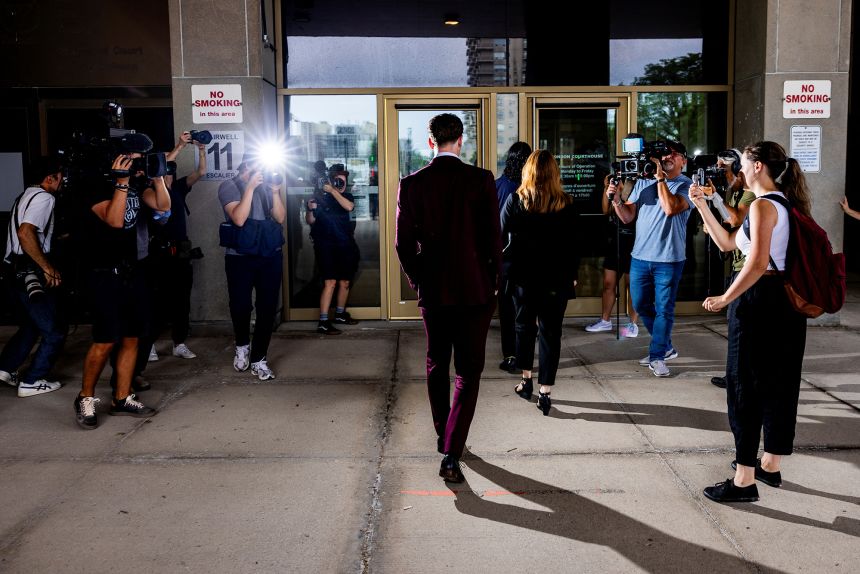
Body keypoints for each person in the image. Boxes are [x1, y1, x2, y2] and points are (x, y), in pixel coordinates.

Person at [691, 141, 809, 503]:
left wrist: (726, 297)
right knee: (779, 383)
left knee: (743, 387)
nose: (739, 168)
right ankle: (770, 465)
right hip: (784, 304)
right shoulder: (783, 202)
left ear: (758, 166)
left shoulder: (761, 206)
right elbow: (728, 244)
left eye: (743, 162)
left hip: (758, 301)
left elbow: (756, 263)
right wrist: (703, 206)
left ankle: (744, 480)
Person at [395, 113, 502, 483]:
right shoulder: (481, 180)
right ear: (460, 141)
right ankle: (452, 452)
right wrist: (494, 282)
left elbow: (402, 244)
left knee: (437, 365)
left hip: (435, 290)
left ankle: (445, 437)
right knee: (468, 372)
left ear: (431, 142)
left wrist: (419, 279)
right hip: (475, 290)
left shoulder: (411, 184)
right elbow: (493, 238)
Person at [74, 135, 168, 429]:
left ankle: (121, 397)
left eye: (142, 159)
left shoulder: (140, 184)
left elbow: (163, 205)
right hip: (104, 273)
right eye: (134, 157)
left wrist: (158, 177)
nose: (138, 164)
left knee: (132, 338)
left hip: (134, 272)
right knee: (105, 341)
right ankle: (85, 397)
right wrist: (121, 183)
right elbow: (115, 220)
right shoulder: (93, 186)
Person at [501, 150, 579, 416]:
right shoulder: (567, 203)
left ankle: (526, 381)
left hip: (523, 279)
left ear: (529, 171)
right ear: (554, 173)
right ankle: (545, 392)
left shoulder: (515, 200)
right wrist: (573, 274)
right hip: (556, 279)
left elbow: (501, 237)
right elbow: (574, 245)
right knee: (551, 333)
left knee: (524, 328)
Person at [608, 140, 693, 377]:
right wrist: (616, 200)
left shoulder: (687, 185)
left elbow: (670, 208)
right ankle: (665, 347)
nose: (667, 158)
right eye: (664, 155)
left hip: (669, 259)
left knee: (664, 309)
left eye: (673, 154)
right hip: (639, 257)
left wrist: (661, 180)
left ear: (683, 160)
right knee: (640, 305)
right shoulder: (643, 182)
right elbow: (627, 217)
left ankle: (657, 357)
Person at [0, 157, 67, 397]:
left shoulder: (25, 195)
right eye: (59, 176)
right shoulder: (45, 198)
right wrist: (47, 267)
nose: (62, 181)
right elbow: (25, 233)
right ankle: (33, 380)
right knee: (54, 330)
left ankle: (5, 368)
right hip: (30, 270)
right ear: (49, 178)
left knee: (30, 325)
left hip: (12, 268)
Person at [218, 161, 286, 381]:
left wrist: (274, 191)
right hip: (240, 257)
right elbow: (239, 219)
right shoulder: (229, 186)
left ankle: (259, 358)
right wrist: (250, 188)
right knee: (241, 306)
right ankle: (242, 345)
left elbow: (280, 217)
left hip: (269, 255)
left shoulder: (267, 185)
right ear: (246, 166)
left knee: (267, 308)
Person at [147, 131, 208, 359]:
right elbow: (161, 167)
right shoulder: (150, 191)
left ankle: (179, 343)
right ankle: (149, 344)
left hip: (180, 251)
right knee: (156, 300)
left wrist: (201, 149)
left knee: (181, 300)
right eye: (165, 162)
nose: (169, 166)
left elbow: (201, 172)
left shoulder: (179, 188)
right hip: (157, 252)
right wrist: (180, 146)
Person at [701, 149, 755, 389]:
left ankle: (736, 379)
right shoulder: (737, 193)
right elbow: (728, 223)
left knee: (739, 326)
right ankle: (736, 375)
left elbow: (735, 220)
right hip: (738, 263)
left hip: (746, 267)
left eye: (725, 171)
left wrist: (713, 198)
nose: (722, 176)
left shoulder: (750, 195)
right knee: (737, 326)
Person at [305, 163, 361, 335]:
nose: (341, 183)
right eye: (338, 180)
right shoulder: (320, 198)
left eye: (343, 180)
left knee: (345, 282)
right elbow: (310, 221)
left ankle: (340, 314)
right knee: (330, 282)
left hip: (346, 245)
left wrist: (333, 191)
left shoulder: (347, 197)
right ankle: (323, 322)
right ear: (330, 180)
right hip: (326, 246)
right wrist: (310, 209)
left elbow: (349, 207)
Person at [584, 173, 639, 337]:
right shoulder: (614, 189)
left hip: (633, 242)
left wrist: (622, 190)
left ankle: (632, 324)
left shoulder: (634, 186)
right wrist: (607, 188)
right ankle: (605, 320)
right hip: (615, 243)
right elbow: (605, 210)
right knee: (608, 284)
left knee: (632, 286)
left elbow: (629, 217)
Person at [496, 141, 532, 373]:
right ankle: (521, 354)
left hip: (503, 260)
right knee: (524, 312)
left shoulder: (496, 185)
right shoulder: (526, 191)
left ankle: (510, 355)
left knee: (507, 312)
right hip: (524, 259)